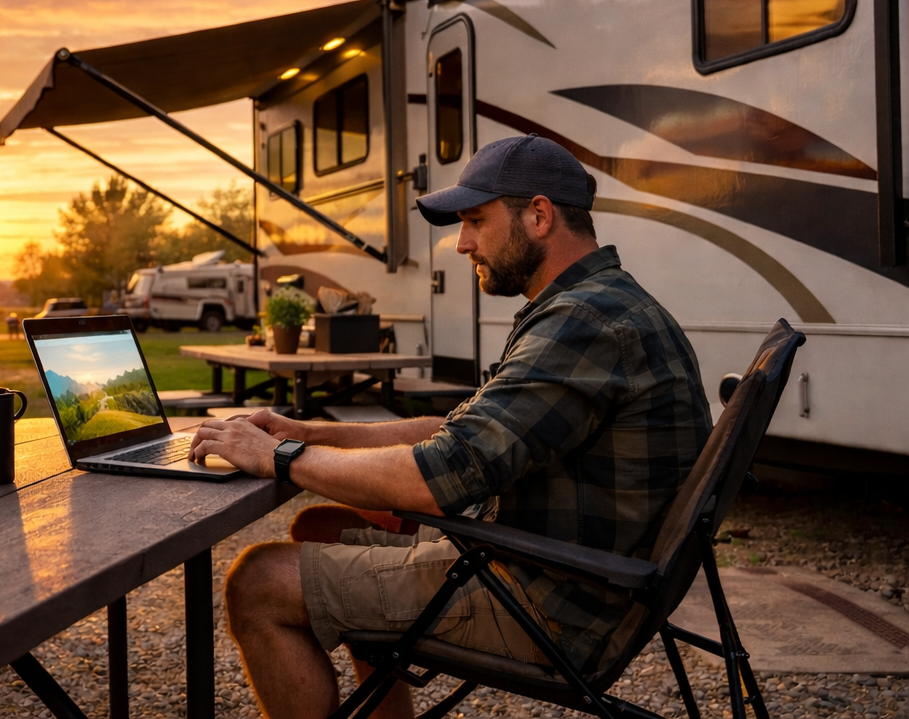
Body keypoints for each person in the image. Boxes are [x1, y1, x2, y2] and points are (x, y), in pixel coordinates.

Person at [189, 134, 711, 719]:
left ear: (538, 216)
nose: (462, 243)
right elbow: (456, 429)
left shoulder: (584, 322)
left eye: (475, 221)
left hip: (550, 603)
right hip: (571, 572)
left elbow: (435, 479)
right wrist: (303, 433)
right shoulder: (596, 303)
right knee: (320, 527)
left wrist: (275, 458)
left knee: (256, 582)